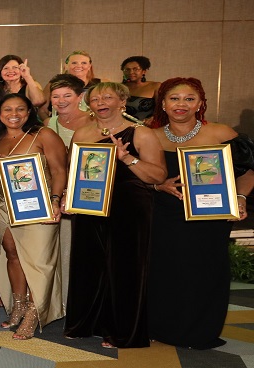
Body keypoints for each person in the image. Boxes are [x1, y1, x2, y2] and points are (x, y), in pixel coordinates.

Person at [147, 77, 253, 349]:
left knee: (204, 270)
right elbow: (136, 175)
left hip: (209, 218)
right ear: (163, 103)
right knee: (164, 270)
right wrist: (158, 185)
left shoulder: (221, 133)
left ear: (201, 103)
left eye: (189, 98)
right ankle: (159, 325)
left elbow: (248, 172)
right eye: (174, 98)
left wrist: (240, 198)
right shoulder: (150, 136)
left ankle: (198, 330)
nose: (181, 104)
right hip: (163, 216)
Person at [64, 82, 166, 348]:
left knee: (125, 268)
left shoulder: (141, 134)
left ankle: (123, 331)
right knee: (89, 265)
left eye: (108, 96)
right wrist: (67, 195)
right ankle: (88, 323)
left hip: (129, 206)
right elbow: (75, 172)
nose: (101, 101)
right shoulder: (81, 133)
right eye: (96, 98)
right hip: (90, 206)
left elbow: (158, 175)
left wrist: (127, 159)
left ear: (122, 101)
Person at [0, 94, 68, 340]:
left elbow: (58, 169)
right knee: (12, 254)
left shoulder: (43, 134)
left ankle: (35, 313)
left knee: (40, 260)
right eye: (7, 109)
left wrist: (55, 200)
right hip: (3, 205)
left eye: (20, 109)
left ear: (29, 111)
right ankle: (19, 305)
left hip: (39, 205)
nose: (14, 113)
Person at [43, 74, 93, 301]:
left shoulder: (92, 122)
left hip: (83, 191)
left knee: (80, 246)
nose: (61, 101)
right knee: (58, 246)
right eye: (56, 96)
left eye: (67, 95)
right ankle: (60, 299)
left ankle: (79, 298)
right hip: (55, 189)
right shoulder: (48, 124)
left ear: (79, 97)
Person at [121, 56, 160, 121]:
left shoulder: (155, 86)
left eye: (135, 69)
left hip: (146, 127)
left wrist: (153, 119)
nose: (131, 72)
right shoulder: (119, 87)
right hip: (122, 127)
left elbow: (162, 109)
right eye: (127, 70)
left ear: (144, 71)